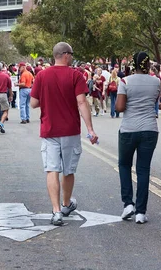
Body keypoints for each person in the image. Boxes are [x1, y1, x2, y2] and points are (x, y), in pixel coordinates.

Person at [30, 42, 98, 226]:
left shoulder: (42, 76)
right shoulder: (76, 75)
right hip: (70, 130)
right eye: (72, 54)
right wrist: (90, 129)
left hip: (49, 130)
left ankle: (56, 211)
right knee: (68, 170)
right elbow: (82, 102)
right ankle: (66, 204)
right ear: (66, 55)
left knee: (52, 169)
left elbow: (33, 103)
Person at [115, 52, 161, 224]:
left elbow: (119, 107)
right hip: (150, 129)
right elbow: (156, 101)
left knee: (124, 165)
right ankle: (141, 212)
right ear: (148, 65)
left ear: (133, 64)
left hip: (128, 129)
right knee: (143, 169)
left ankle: (128, 204)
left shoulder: (125, 81)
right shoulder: (156, 81)